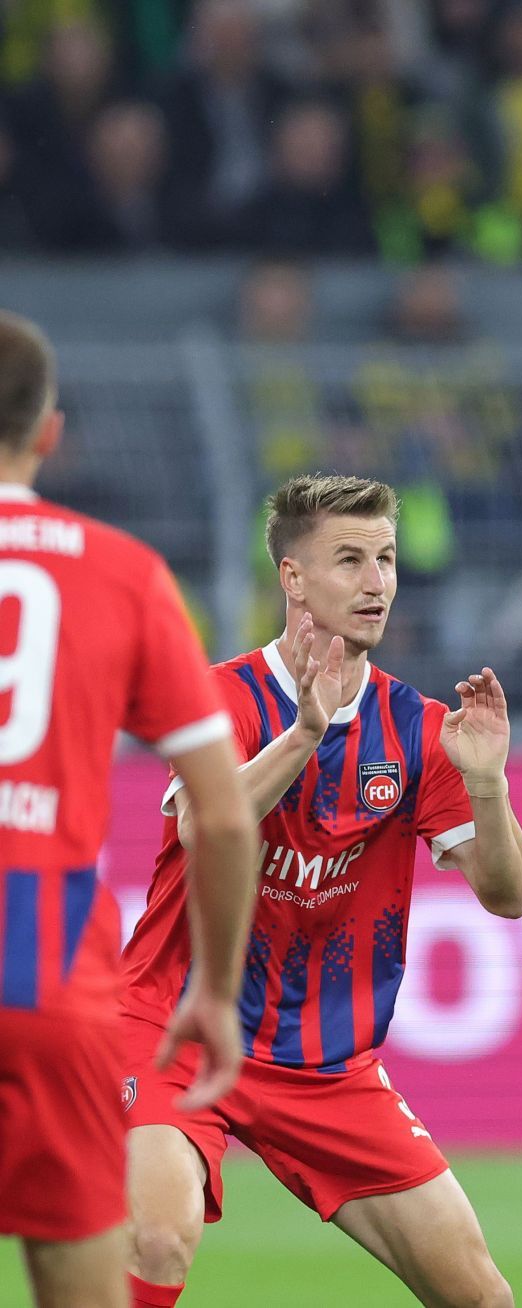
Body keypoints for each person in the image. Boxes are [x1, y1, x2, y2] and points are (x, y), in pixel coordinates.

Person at [118, 475, 522, 1308]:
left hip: (325, 1066)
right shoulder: (219, 696)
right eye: (349, 559)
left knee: (482, 1297)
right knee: (158, 1238)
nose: (377, 581)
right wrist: (307, 733)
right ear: (293, 578)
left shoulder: (417, 728)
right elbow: (209, 829)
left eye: (385, 558)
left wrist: (486, 784)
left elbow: (510, 896)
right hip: (177, 1029)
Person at [0, 311, 258, 1308]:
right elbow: (225, 814)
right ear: (51, 431)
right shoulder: (122, 573)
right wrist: (217, 988)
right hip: (52, 975)